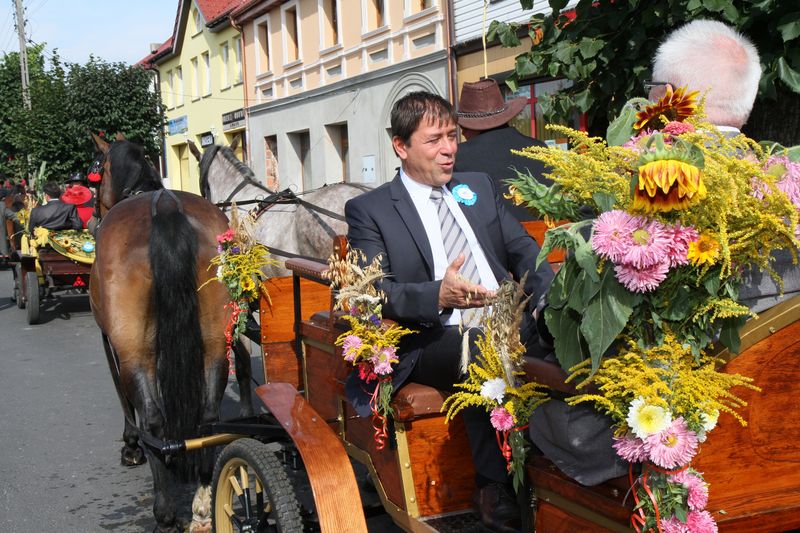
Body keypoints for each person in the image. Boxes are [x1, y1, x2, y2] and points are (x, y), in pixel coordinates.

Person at [528, 19, 782, 488]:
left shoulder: (646, 183)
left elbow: (575, 329)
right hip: (781, 427)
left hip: (667, 434)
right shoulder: (783, 184)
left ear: (667, 95)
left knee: (527, 391)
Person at [345, 91, 554, 533]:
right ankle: (495, 487)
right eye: (434, 140)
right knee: (481, 349)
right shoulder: (372, 210)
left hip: (506, 319)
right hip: (433, 335)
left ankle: (570, 476)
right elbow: (374, 293)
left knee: (565, 338)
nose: (449, 148)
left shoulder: (476, 186)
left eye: (453, 136)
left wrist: (548, 302)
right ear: (401, 146)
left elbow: (525, 253)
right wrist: (438, 296)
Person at [454, 78, 551, 222]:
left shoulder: (457, 157)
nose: (462, 133)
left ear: (470, 126)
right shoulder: (540, 149)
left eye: (463, 127)